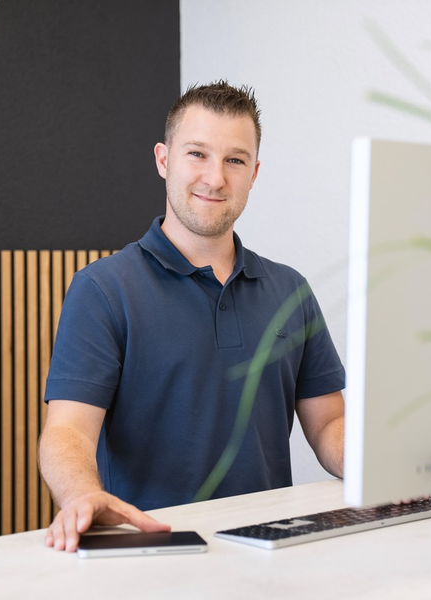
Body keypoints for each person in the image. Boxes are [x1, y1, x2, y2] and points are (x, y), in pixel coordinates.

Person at [39, 81, 345, 552]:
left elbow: (328, 424)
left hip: (270, 550)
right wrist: (82, 494)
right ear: (164, 160)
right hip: (152, 550)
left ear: (254, 173)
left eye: (235, 160)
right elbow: (67, 430)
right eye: (197, 154)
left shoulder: (291, 290)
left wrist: (385, 466)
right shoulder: (103, 289)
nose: (215, 178)